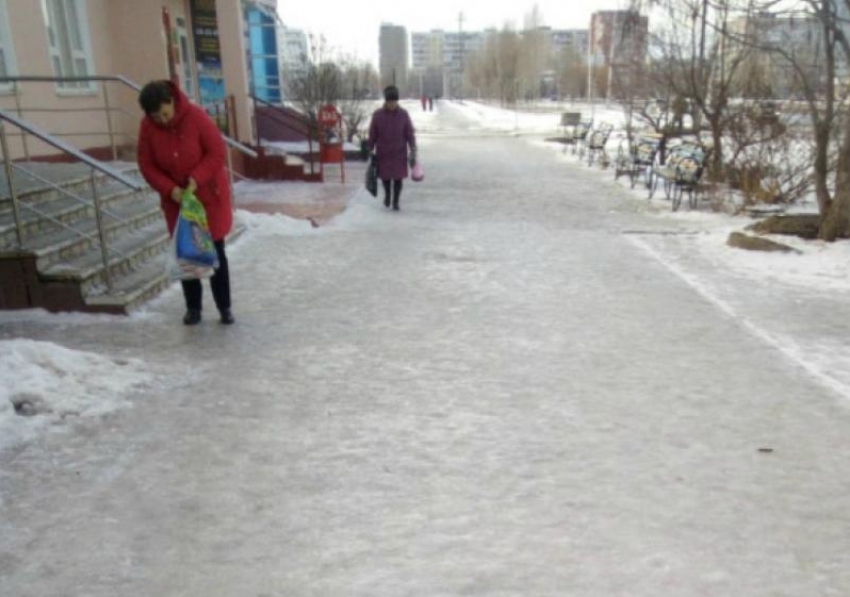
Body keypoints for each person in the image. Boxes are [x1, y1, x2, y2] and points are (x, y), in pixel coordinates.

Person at [136, 80, 235, 326]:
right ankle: (193, 308)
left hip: (208, 199)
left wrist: (196, 179)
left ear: (172, 102)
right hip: (177, 203)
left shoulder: (196, 117)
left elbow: (216, 152)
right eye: (156, 117)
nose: (162, 120)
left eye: (165, 113)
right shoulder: (148, 128)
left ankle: (224, 307)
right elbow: (147, 165)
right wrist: (170, 190)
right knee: (187, 256)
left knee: (215, 253)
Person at [368, 86, 417, 211]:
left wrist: (413, 147)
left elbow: (409, 133)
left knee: (398, 178)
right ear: (386, 101)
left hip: (399, 152)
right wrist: (369, 147)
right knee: (385, 178)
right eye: (390, 102)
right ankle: (388, 195)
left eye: (394, 102)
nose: (392, 104)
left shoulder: (403, 114)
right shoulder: (378, 115)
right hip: (383, 152)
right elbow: (373, 133)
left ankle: (395, 201)